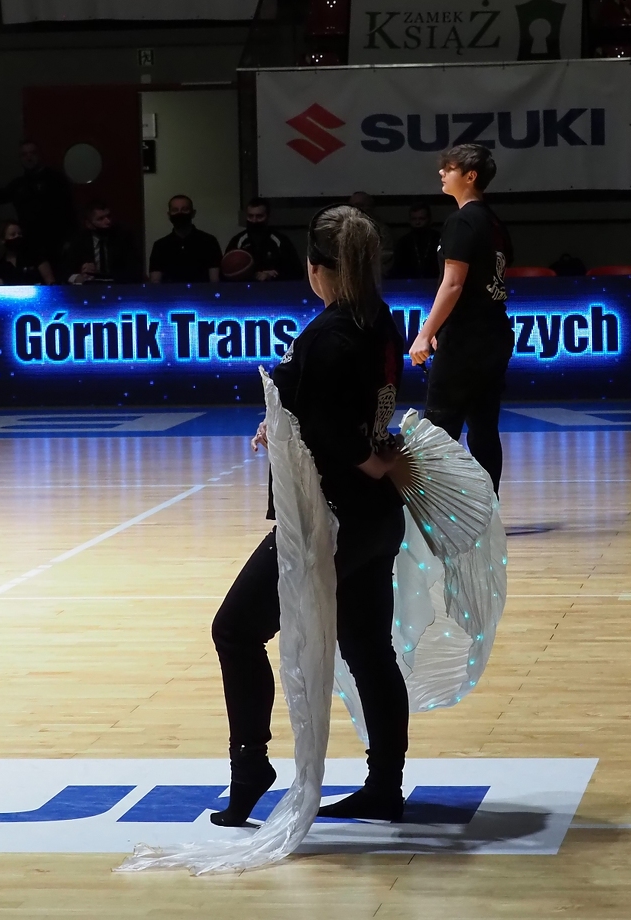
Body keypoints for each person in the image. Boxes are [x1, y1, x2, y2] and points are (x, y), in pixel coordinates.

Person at [211, 204, 409, 825]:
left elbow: (334, 430)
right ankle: (385, 785)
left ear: (317, 267)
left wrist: (370, 462)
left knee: (235, 631)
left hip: (331, 519)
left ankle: (251, 767)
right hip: (375, 520)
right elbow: (346, 405)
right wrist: (279, 423)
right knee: (369, 647)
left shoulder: (328, 334)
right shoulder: (379, 320)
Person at [408, 144, 513, 494]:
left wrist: (426, 333)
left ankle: (433, 511)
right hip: (494, 335)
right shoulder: (494, 222)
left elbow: (453, 284)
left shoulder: (462, 220)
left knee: (438, 427)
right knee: (483, 427)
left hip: (466, 339)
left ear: (470, 176)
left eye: (450, 168)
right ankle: (487, 510)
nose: (442, 172)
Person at [0, 140, 77, 284]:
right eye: (24, 154)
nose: (29, 157)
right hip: (29, 245)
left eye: (32, 153)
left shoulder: (56, 180)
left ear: (39, 155)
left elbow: (69, 211)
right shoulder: (19, 185)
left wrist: (69, 240)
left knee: (57, 282)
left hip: (55, 243)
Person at [148, 195, 221, 284]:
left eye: (184, 209)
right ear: (169, 214)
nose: (180, 213)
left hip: (202, 292)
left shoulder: (209, 242)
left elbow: (215, 281)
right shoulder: (160, 246)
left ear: (193, 213)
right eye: (175, 210)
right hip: (169, 293)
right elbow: (155, 282)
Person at [63, 203, 142, 284]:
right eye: (100, 219)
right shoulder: (79, 240)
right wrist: (78, 275)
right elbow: (64, 270)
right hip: (89, 287)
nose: (108, 221)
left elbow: (135, 269)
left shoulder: (123, 237)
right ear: (89, 224)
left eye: (109, 216)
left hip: (118, 285)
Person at [225, 197, 302, 281]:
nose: (254, 220)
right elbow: (224, 273)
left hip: (274, 287)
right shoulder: (238, 241)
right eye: (250, 216)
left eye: (259, 216)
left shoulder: (280, 241)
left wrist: (273, 275)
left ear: (268, 216)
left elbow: (298, 272)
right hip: (243, 287)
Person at [389, 203, 441, 280]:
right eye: (414, 219)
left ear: (429, 219)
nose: (417, 222)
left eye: (421, 219)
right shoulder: (404, 242)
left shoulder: (438, 239)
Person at [0, 221, 41, 285]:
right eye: (13, 234)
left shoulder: (35, 257)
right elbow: (1, 288)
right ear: (2, 240)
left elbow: (50, 283)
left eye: (19, 234)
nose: (17, 236)